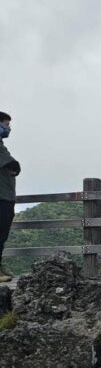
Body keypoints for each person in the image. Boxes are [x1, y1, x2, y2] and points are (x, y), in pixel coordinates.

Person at [0, 112, 19, 283]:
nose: (8, 129)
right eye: (5, 125)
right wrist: (15, 166)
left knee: (2, 233)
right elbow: (11, 164)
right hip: (1, 197)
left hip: (5, 196)